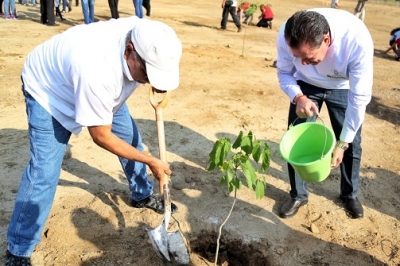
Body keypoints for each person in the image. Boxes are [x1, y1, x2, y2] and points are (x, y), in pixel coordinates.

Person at [4, 16, 182, 265]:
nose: (149, 81)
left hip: (103, 88)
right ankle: (18, 250)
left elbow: (152, 68)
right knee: (43, 172)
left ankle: (141, 194)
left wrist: (159, 78)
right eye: (147, 73)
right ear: (129, 51)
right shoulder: (96, 69)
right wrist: (151, 160)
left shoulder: (145, 34)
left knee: (131, 138)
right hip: (50, 93)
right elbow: (101, 135)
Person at [276, 9, 373, 219]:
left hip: (343, 85)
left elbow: (359, 99)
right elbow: (284, 72)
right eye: (297, 56)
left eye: (308, 57)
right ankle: (298, 194)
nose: (302, 62)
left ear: (326, 40)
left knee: (352, 142)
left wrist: (342, 142)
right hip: (305, 85)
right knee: (296, 139)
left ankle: (349, 194)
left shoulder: (356, 41)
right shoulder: (287, 33)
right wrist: (298, 97)